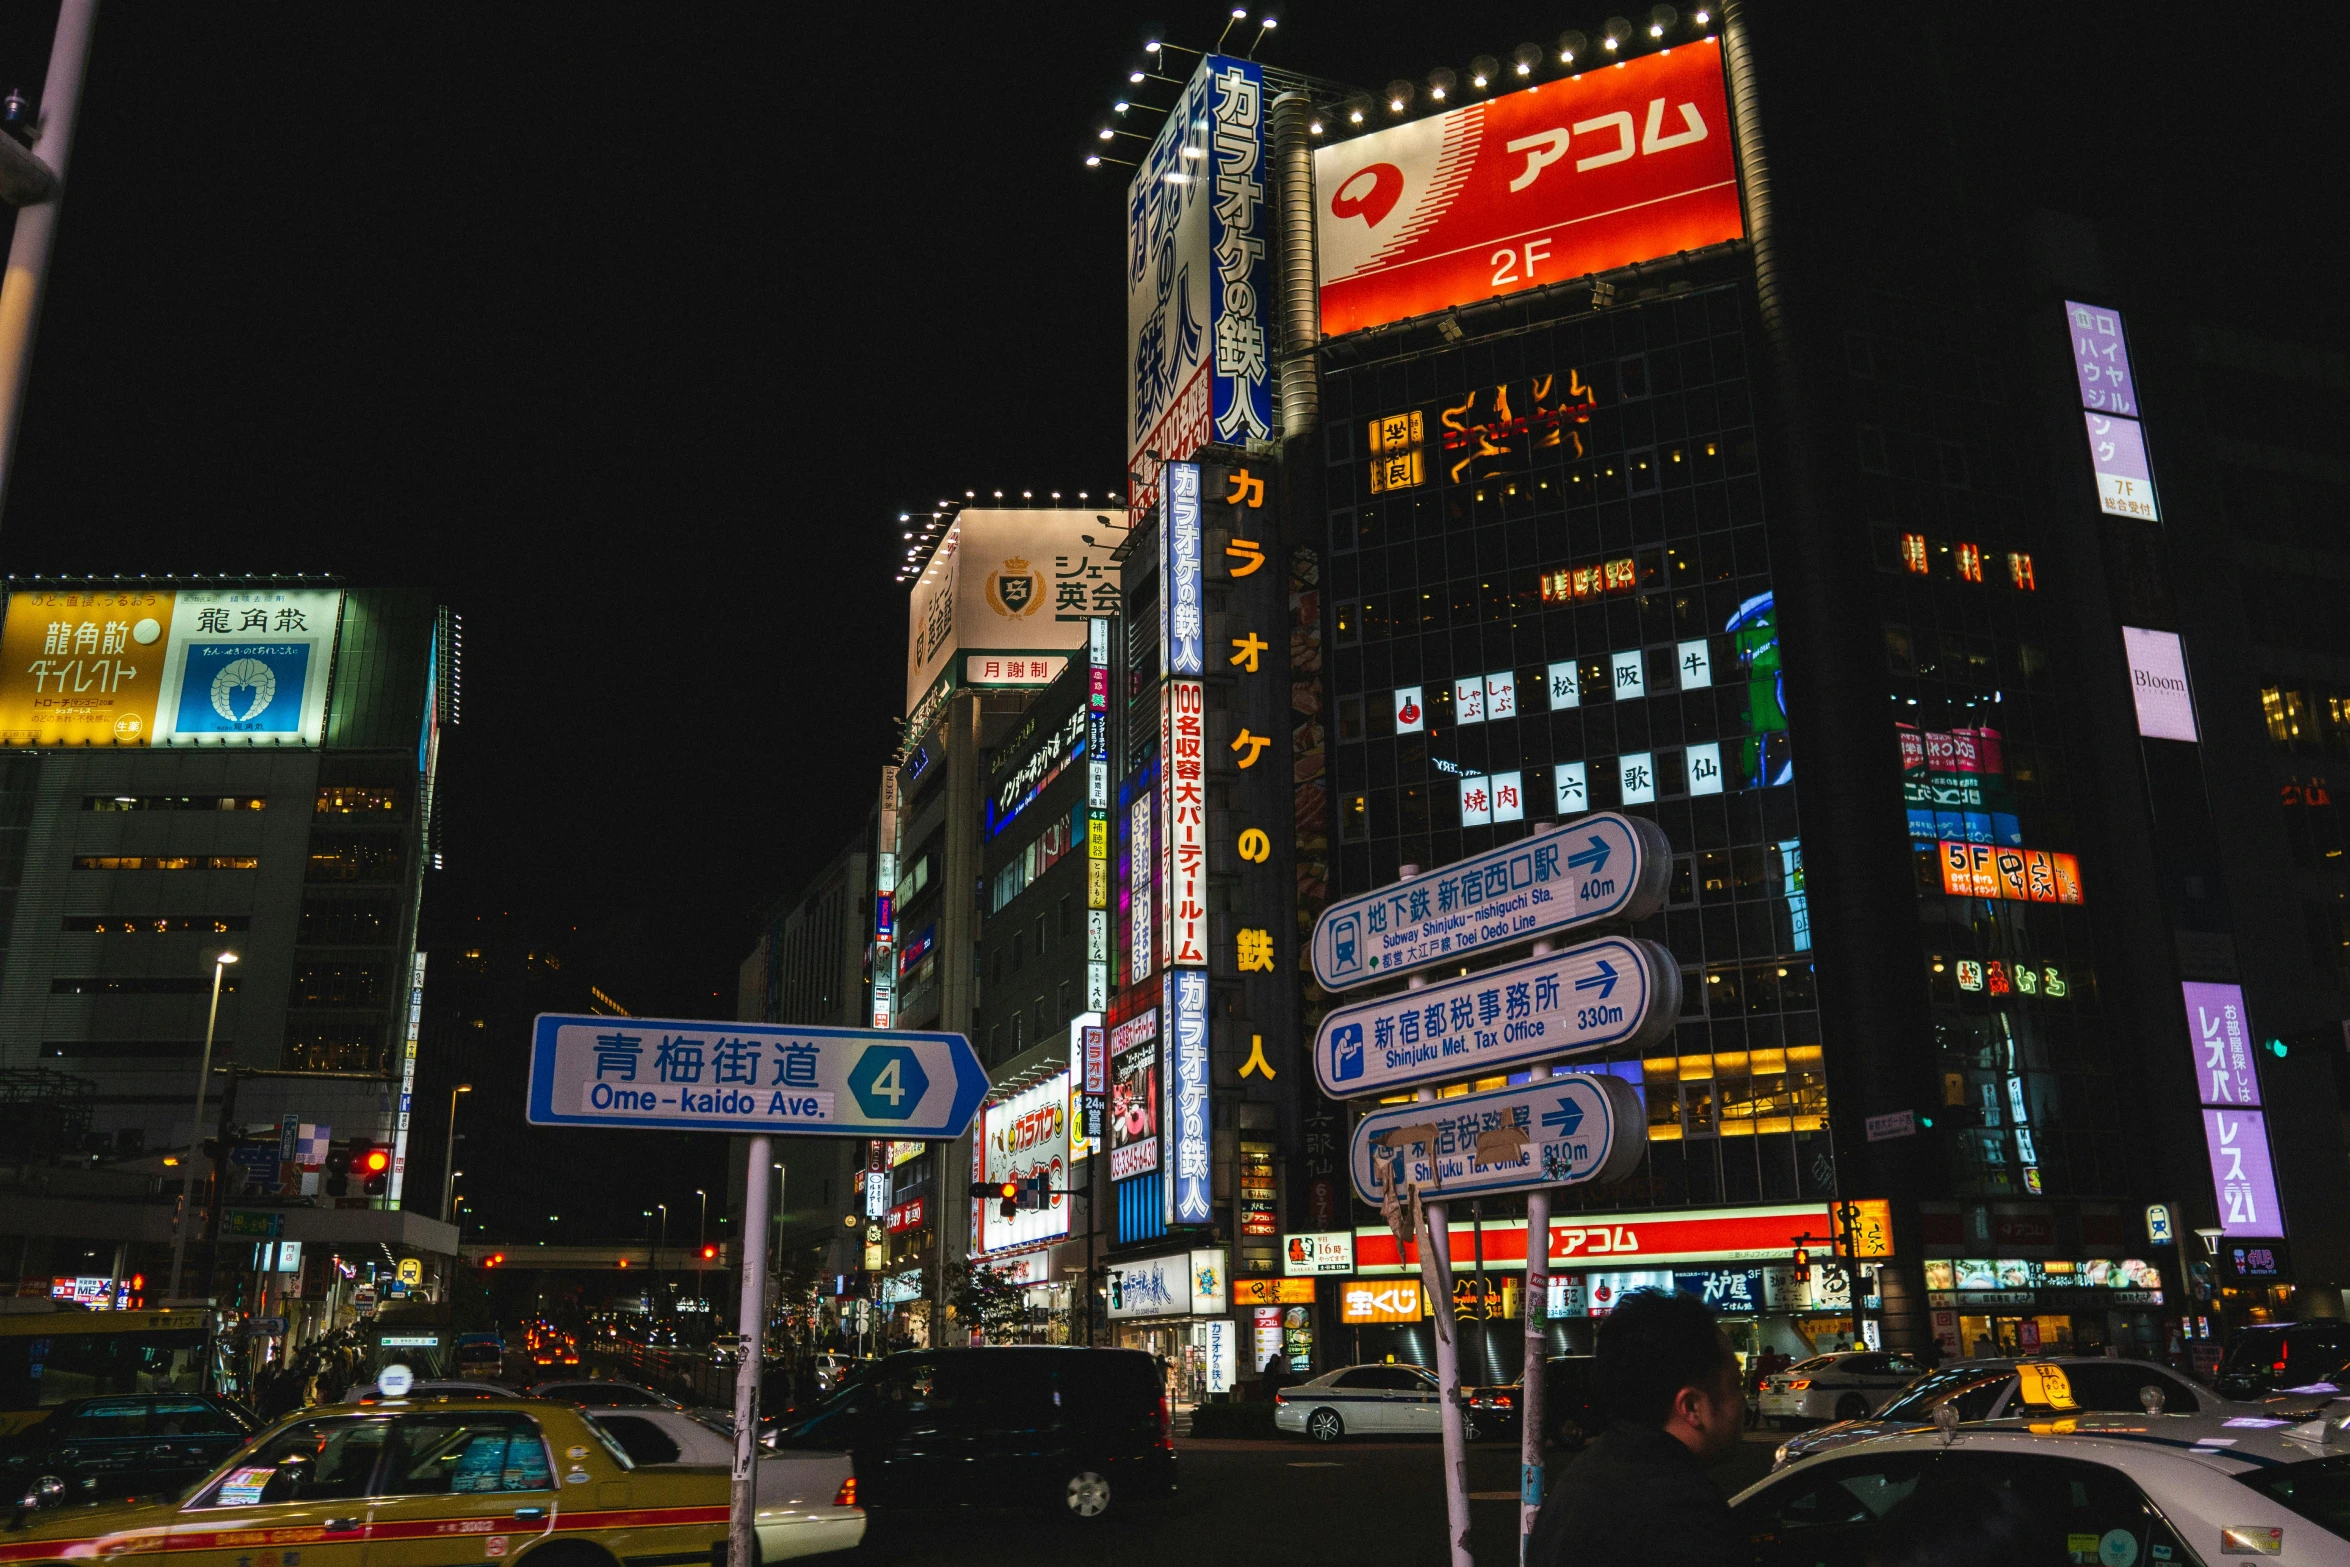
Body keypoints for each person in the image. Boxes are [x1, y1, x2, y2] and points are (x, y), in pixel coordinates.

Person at [1526, 1289, 1751, 1567]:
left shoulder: (1577, 1483)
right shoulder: (1683, 1513)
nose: (1743, 1401)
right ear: (1692, 1407)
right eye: (1736, 1386)